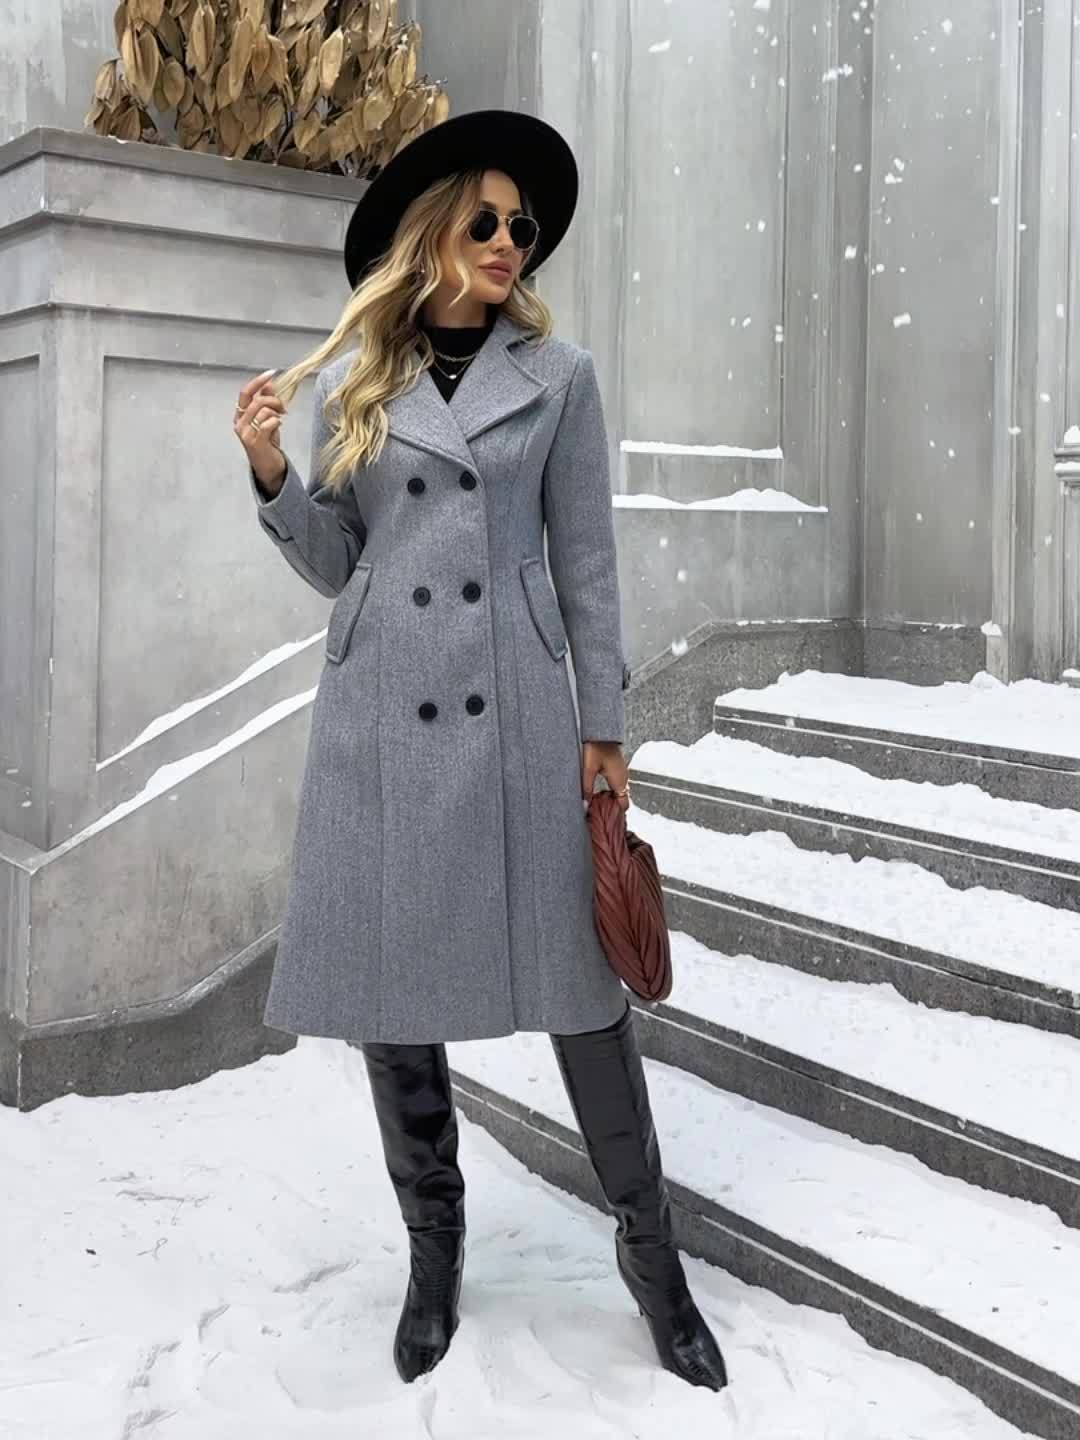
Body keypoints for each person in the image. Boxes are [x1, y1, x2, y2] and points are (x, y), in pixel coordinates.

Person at [233, 108, 727, 1393]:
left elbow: (588, 565)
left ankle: (652, 1256)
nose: (513, 242)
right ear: (434, 233)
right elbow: (342, 564)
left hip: (516, 714)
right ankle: (435, 1250)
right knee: (395, 1007)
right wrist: (274, 473)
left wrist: (606, 728)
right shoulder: (355, 381)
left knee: (583, 995)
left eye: (524, 226)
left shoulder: (559, 380)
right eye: (489, 221)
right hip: (380, 716)